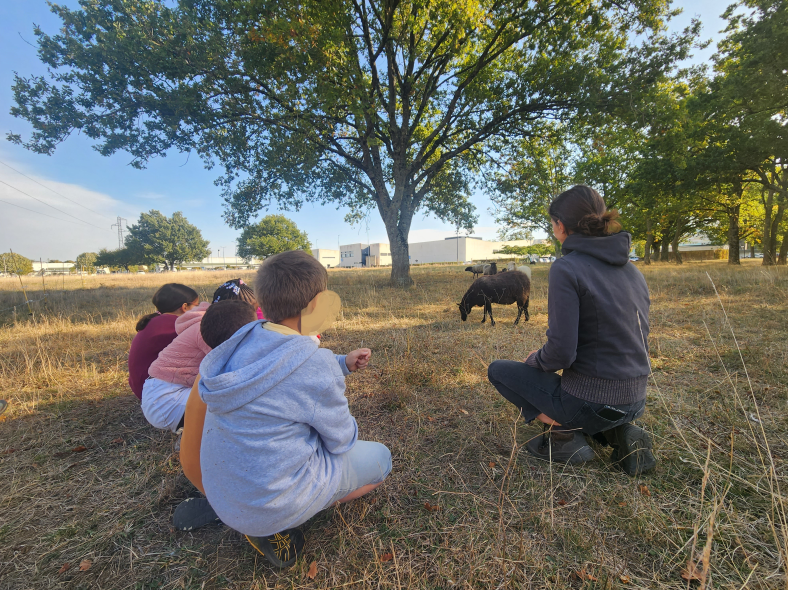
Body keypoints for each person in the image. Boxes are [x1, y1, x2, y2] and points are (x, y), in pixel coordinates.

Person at [194, 250, 391, 568]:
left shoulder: (245, 338)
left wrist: (340, 363)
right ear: (316, 305)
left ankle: (265, 518)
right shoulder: (314, 363)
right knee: (381, 459)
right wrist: (329, 376)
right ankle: (282, 521)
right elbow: (341, 441)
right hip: (270, 506)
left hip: (223, 494)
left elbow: (280, 370)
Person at [487, 185, 657, 476]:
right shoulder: (632, 270)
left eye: (552, 223)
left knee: (498, 370)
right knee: (596, 407)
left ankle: (566, 436)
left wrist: (535, 361)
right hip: (636, 398)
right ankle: (620, 433)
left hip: (589, 400)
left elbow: (562, 353)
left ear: (560, 225)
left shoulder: (567, 268)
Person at [174, 299, 259, 531]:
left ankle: (222, 504)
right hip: (242, 483)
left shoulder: (206, 373)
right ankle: (245, 512)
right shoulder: (245, 374)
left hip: (197, 473)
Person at [141, 280, 259, 432]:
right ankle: (190, 435)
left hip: (167, 393)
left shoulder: (213, 323)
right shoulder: (209, 329)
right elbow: (233, 369)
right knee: (236, 405)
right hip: (166, 400)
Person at [128, 283, 199, 401]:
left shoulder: (158, 319)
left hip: (144, 385)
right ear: (185, 307)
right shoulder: (176, 325)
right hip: (156, 392)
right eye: (196, 305)